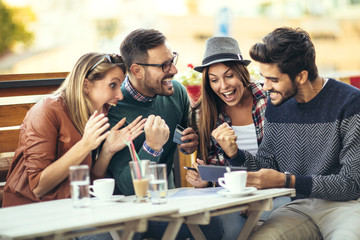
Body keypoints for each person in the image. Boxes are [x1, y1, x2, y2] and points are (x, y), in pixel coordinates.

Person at [216, 27, 360, 239]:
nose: (265, 87)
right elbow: (268, 165)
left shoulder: (350, 103)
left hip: (345, 207)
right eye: (263, 78)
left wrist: (288, 181)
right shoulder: (278, 104)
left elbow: (352, 184)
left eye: (273, 80)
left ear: (301, 76)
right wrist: (234, 153)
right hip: (298, 207)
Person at [2, 53, 146, 207]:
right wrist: (85, 145)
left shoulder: (97, 112)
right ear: (85, 85)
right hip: (31, 210)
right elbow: (38, 187)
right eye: (112, 85)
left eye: (120, 85)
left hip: (75, 206)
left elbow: (89, 183)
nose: (120, 95)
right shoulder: (47, 110)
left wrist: (107, 151)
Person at [185, 36, 289, 239]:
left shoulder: (271, 100)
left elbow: (286, 164)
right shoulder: (206, 115)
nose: (223, 86)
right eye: (214, 80)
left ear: (242, 73)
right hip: (232, 197)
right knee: (228, 231)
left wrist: (235, 155)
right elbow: (216, 169)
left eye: (229, 75)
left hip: (276, 190)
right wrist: (204, 180)